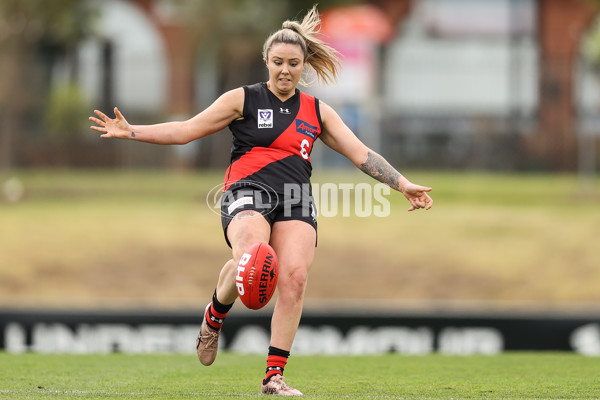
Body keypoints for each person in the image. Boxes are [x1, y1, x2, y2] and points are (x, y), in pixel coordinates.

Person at [89, 5, 433, 396]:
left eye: (293, 63)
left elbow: (361, 153)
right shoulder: (243, 99)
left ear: (304, 65)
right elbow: (186, 130)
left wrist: (401, 183)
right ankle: (214, 318)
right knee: (253, 257)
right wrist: (132, 131)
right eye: (277, 62)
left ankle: (273, 377)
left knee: (296, 278)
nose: (285, 70)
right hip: (247, 191)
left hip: (295, 198)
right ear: (266, 62)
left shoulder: (317, 111)